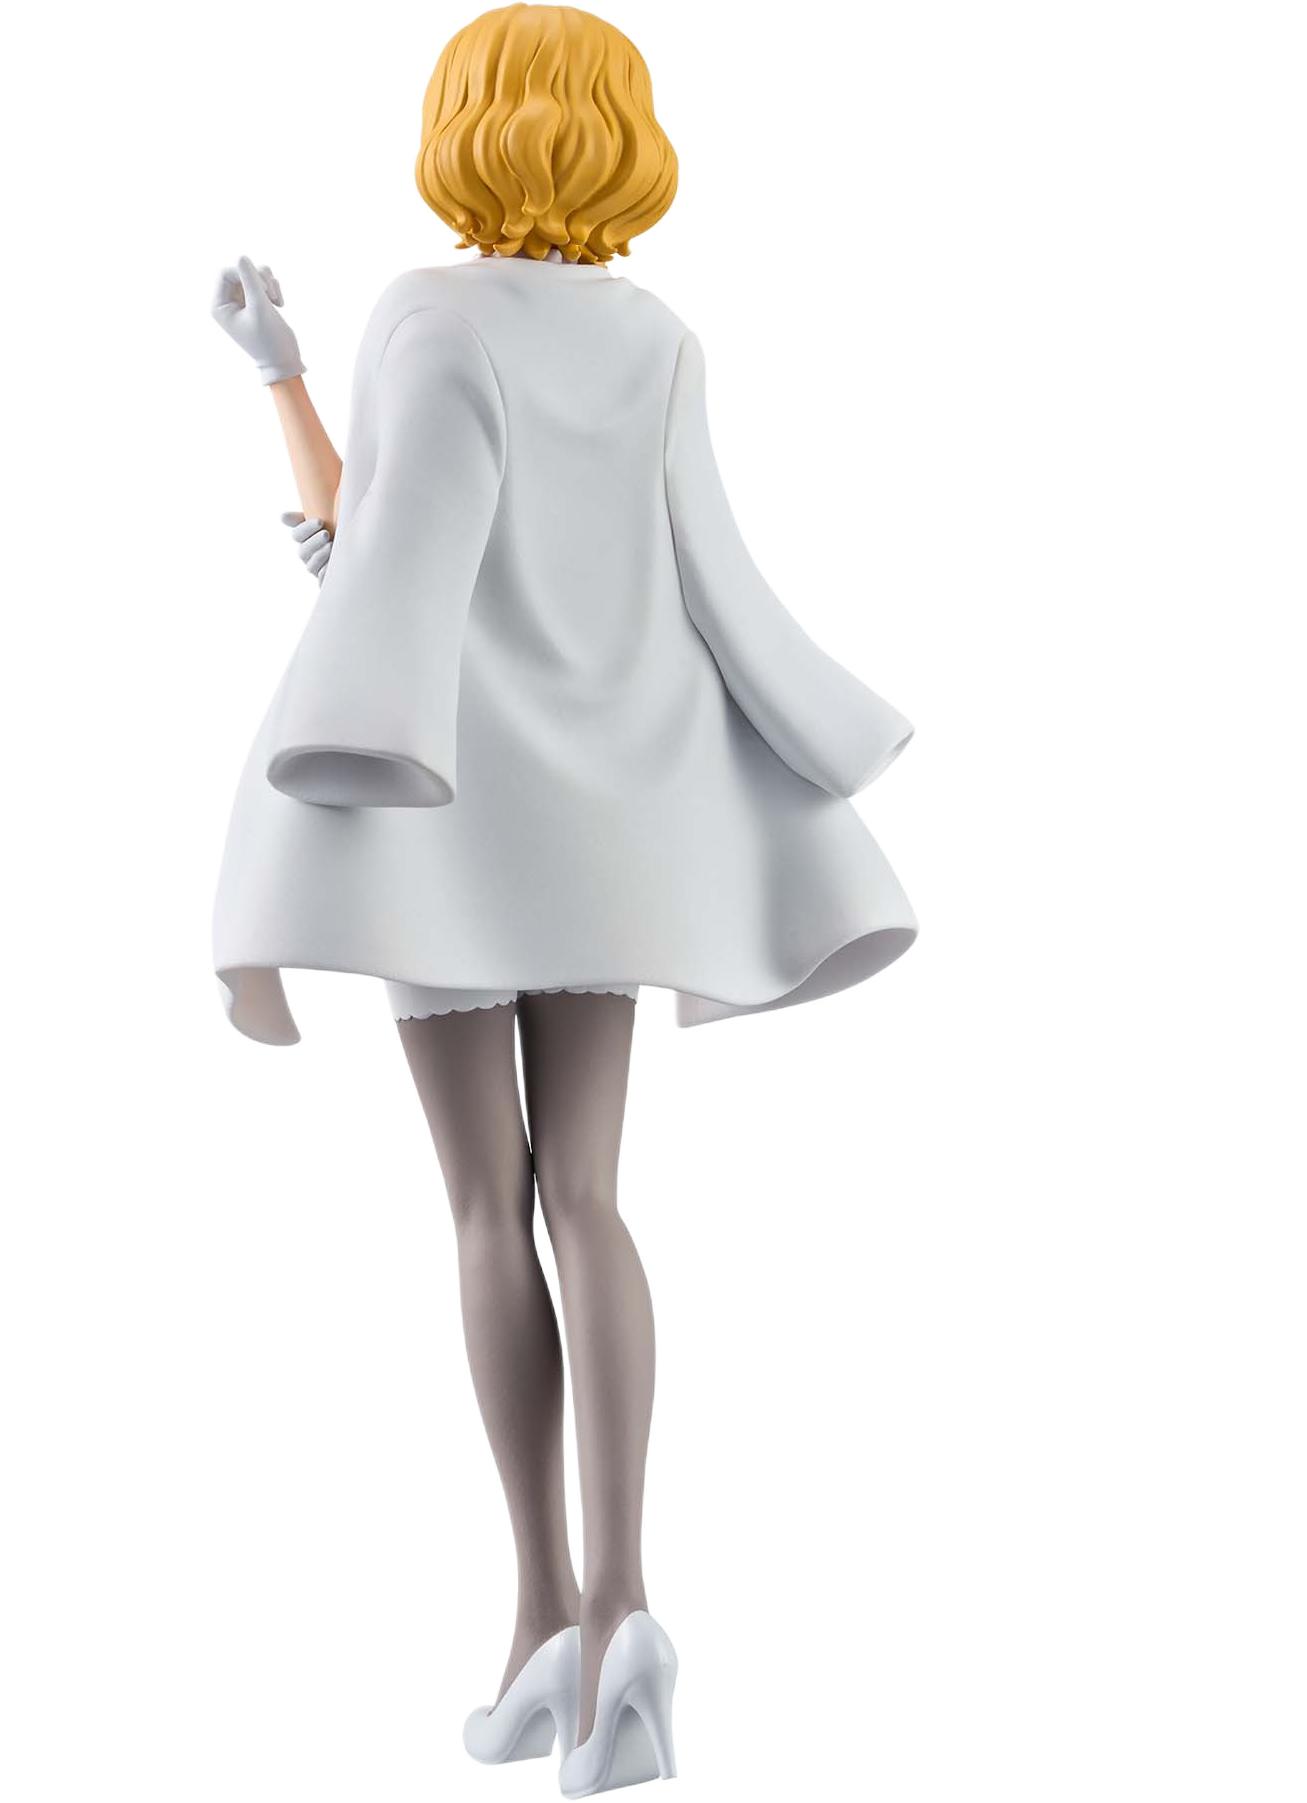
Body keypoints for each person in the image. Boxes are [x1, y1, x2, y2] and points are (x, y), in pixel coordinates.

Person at [208, 6, 915, 1793]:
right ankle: (623, 1618)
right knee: (590, 1197)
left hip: (449, 827)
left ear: (465, 126)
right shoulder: (660, 339)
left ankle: (538, 1615)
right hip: (613, 832)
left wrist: (279, 380)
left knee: (485, 1204)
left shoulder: (427, 316)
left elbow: (386, 567)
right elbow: (708, 578)